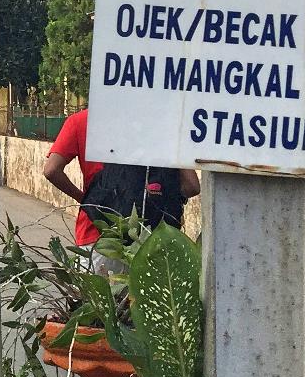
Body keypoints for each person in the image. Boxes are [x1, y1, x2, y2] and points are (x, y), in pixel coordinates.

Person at [41, 107, 200, 263]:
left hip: (99, 235)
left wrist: (86, 200)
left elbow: (51, 170)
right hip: (149, 238)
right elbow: (192, 186)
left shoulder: (81, 121)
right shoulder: (158, 124)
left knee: (100, 289)